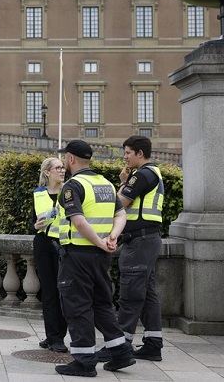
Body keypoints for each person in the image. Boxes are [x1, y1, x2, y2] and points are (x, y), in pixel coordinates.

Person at [54, 140, 135, 377]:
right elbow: (121, 215)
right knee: (101, 304)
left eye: (65, 157)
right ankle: (121, 351)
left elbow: (78, 221)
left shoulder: (72, 186)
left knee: (77, 306)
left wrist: (100, 241)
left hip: (77, 255)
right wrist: (112, 237)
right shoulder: (106, 184)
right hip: (101, 257)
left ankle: (84, 361)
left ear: (71, 159)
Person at [97, 135, 165, 363]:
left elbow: (119, 203)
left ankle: (119, 347)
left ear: (140, 153)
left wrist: (123, 183)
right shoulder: (153, 173)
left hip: (139, 242)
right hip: (147, 239)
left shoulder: (142, 175)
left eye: (128, 152)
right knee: (148, 294)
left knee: (130, 294)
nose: (125, 157)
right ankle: (153, 344)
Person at [32, 157, 68, 353]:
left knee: (63, 291)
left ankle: (58, 335)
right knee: (48, 292)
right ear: (47, 172)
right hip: (44, 244)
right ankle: (53, 336)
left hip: (64, 244)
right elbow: (33, 220)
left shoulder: (69, 190)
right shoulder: (38, 193)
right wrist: (35, 225)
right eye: (58, 168)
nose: (62, 170)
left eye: (63, 167)